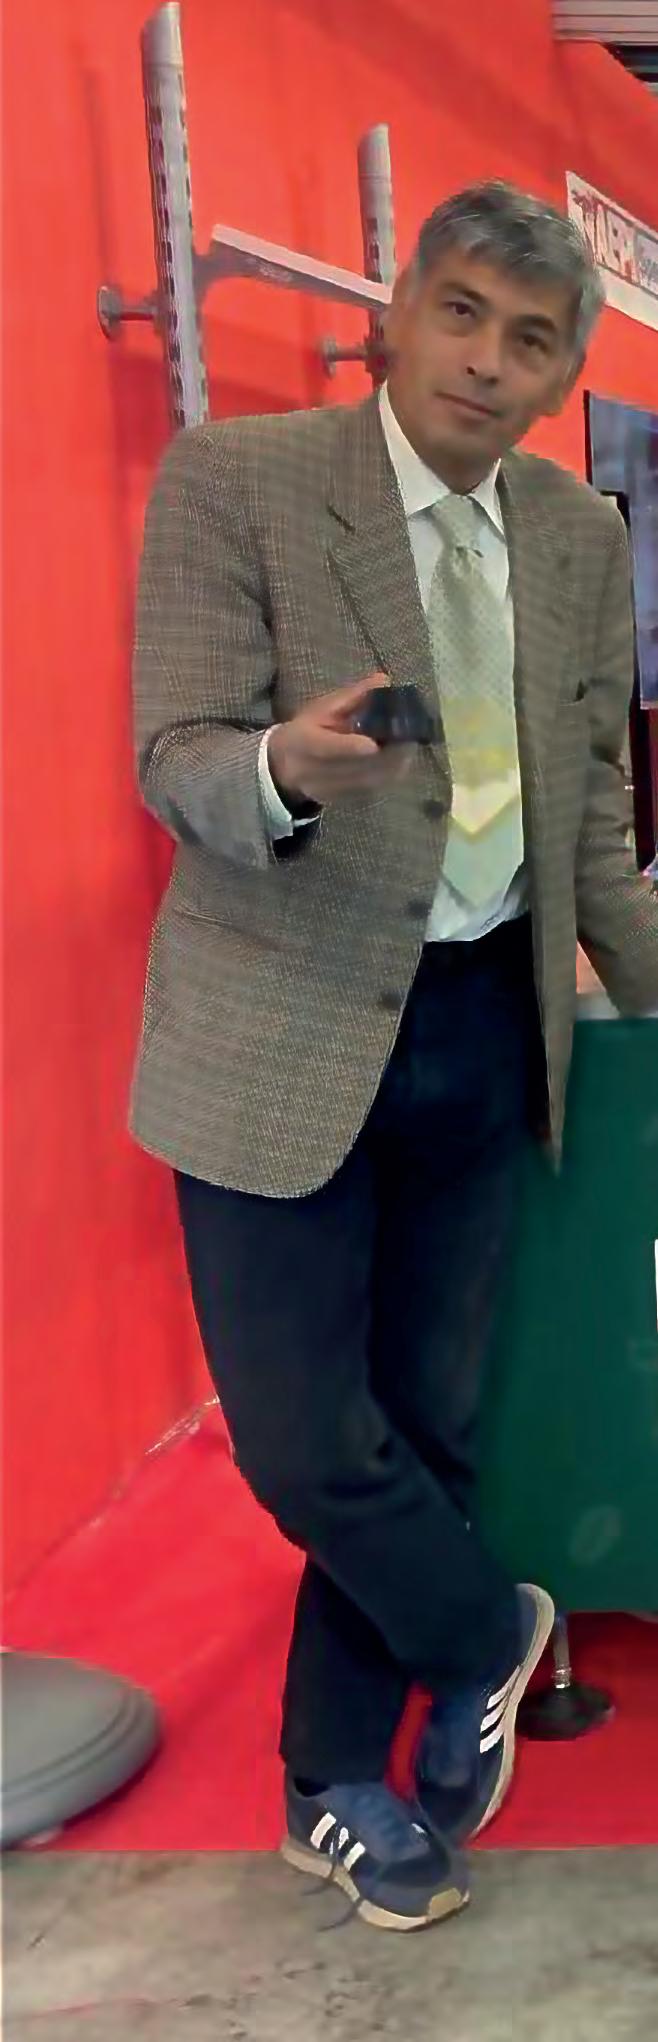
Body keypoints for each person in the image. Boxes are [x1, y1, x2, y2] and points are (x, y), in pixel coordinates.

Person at [131, 180, 658, 1933]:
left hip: (486, 1028)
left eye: (531, 340)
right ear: (395, 312)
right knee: (303, 1441)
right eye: (461, 313)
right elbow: (170, 752)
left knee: (426, 1420)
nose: (487, 361)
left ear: (564, 373)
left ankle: (333, 1781)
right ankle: (478, 1628)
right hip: (275, 1029)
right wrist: (278, 767)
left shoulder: (572, 534)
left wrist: (648, 992)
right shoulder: (239, 482)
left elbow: (588, 808)